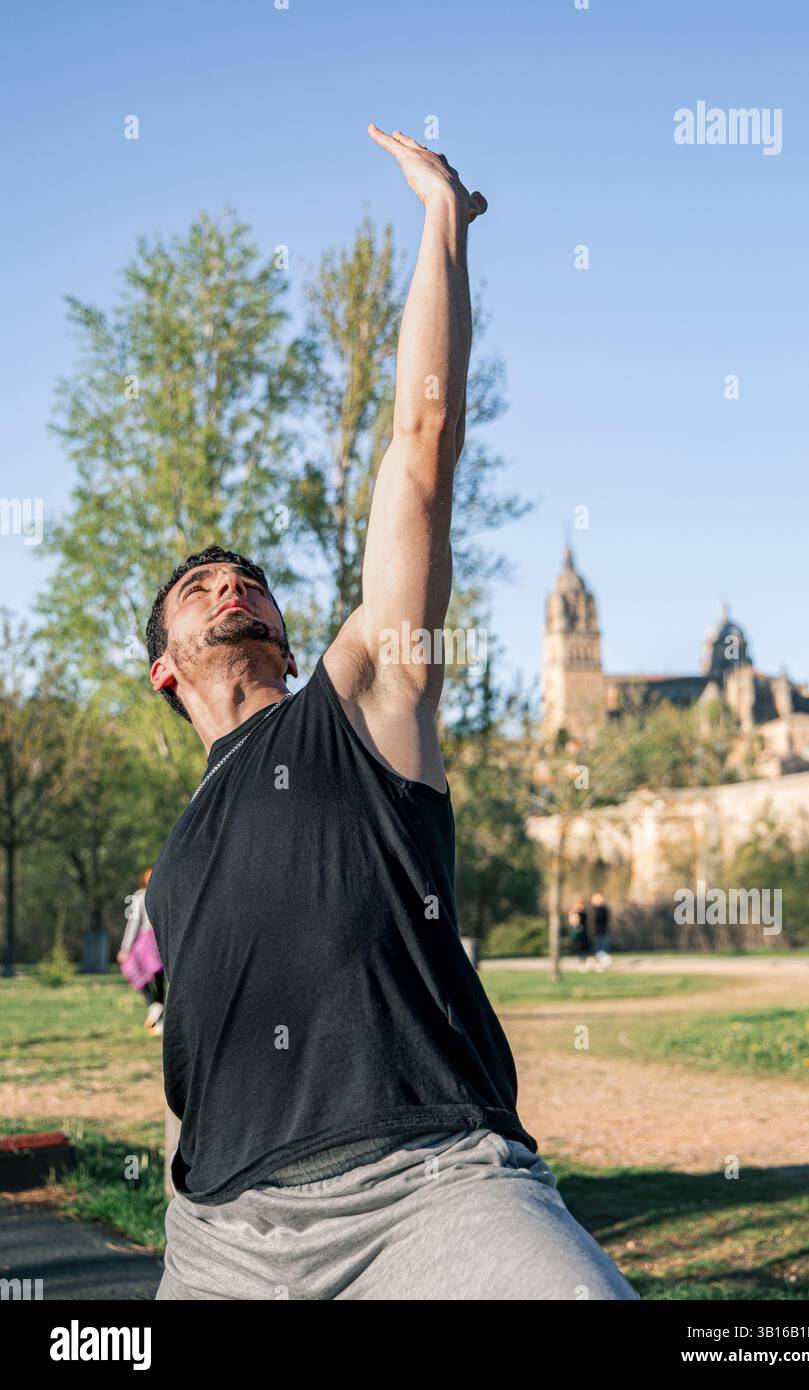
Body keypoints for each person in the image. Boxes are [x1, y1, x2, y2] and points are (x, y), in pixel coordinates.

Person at [144, 126, 638, 1302]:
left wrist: (438, 225)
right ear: (165, 666)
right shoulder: (171, 860)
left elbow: (419, 453)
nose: (231, 583)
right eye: (198, 586)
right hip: (219, 1234)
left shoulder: (353, 707)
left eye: (245, 577)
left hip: (430, 1186)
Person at [117, 867, 166, 1034]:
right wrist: (126, 947)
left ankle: (157, 1013)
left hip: (157, 941)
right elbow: (133, 924)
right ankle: (154, 1004)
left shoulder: (162, 894)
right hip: (149, 942)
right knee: (138, 971)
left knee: (157, 977)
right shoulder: (140, 896)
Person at [565, 899, 593, 971]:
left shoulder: (583, 914)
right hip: (578, 934)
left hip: (584, 934)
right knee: (579, 949)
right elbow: (572, 921)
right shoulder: (574, 913)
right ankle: (581, 963)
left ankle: (585, 962)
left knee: (585, 949)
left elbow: (580, 918)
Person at [589, 891, 612, 973]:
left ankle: (606, 962)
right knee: (598, 951)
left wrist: (595, 906)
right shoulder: (595, 909)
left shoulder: (602, 909)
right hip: (596, 933)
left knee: (600, 951)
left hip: (601, 933)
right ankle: (602, 965)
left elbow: (599, 918)